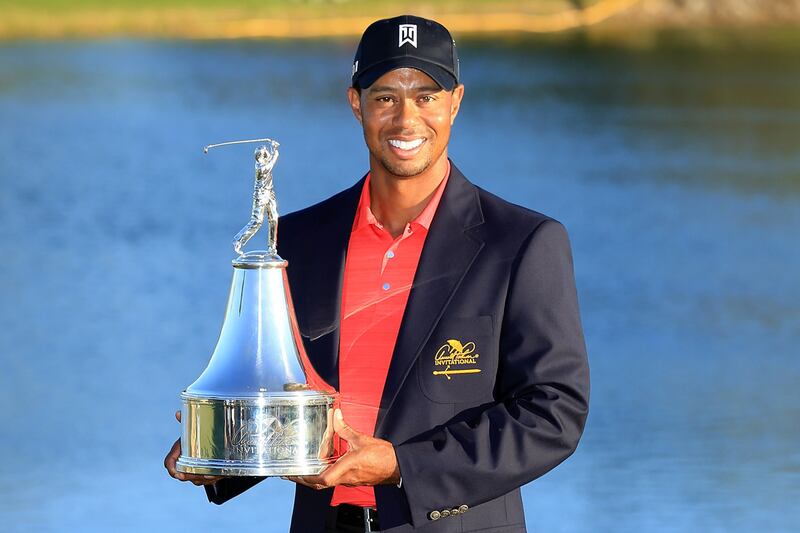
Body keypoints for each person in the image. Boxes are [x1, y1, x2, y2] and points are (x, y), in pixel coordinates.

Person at [165, 14, 590, 533]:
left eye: (426, 96)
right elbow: (282, 392)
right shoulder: (299, 240)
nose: (406, 119)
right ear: (356, 104)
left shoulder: (522, 242)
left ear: (456, 102)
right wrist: (222, 451)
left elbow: (553, 415)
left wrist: (400, 466)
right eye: (386, 97)